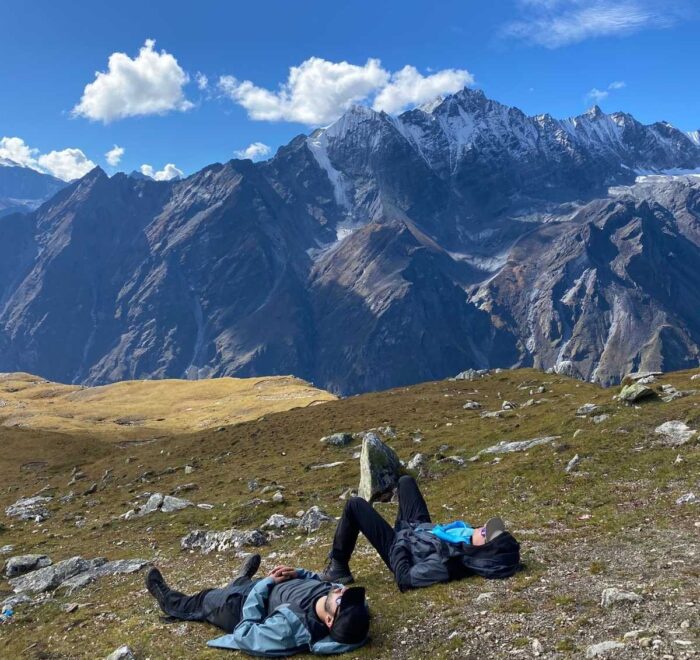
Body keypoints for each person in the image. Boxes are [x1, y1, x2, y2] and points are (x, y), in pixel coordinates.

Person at [320, 475, 520, 591]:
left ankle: (339, 568)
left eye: (485, 533)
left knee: (355, 505)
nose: (482, 528)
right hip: (420, 531)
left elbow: (405, 579)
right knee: (406, 481)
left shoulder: (447, 564)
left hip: (401, 546)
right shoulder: (465, 539)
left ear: (482, 551)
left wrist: (400, 543)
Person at [145, 553, 370, 656]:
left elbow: (245, 634)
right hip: (263, 588)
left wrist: (265, 584)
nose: (343, 590)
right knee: (243, 584)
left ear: (329, 620)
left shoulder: (289, 629)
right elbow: (320, 582)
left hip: (240, 606)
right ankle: (240, 579)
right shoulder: (338, 600)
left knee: (202, 600)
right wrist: (298, 573)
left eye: (342, 598)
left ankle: (167, 599)